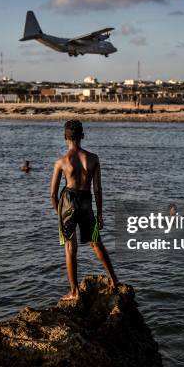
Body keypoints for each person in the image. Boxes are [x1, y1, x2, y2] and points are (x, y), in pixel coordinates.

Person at [51, 120, 119, 301]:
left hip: (68, 201)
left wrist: (59, 212)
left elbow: (52, 194)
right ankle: (114, 280)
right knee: (96, 242)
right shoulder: (93, 158)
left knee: (69, 247)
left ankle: (74, 292)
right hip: (86, 200)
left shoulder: (61, 162)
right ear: (82, 136)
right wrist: (100, 214)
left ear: (65, 137)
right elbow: (97, 189)